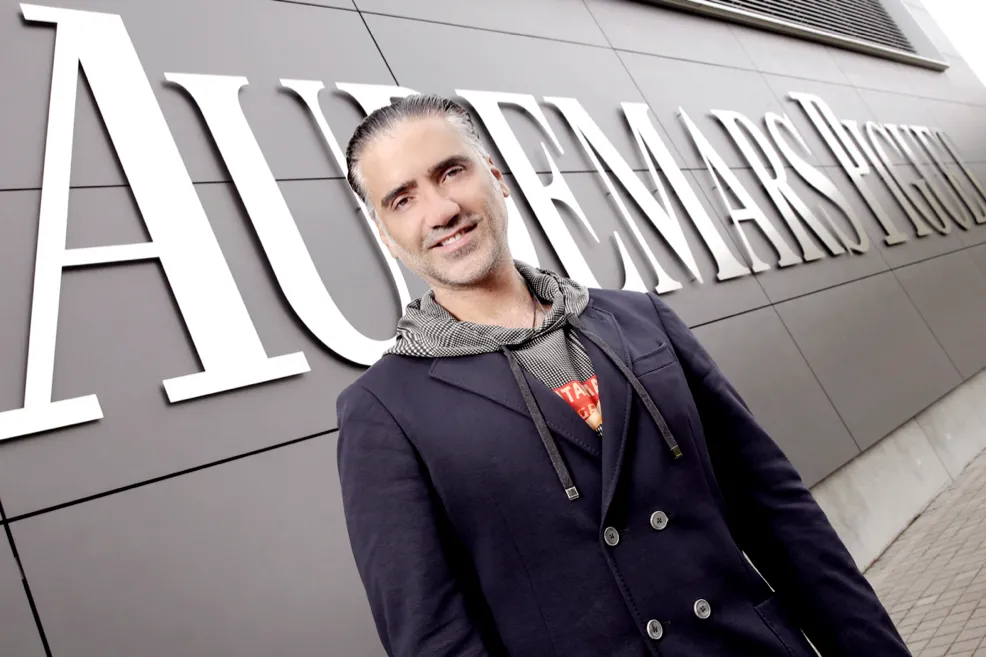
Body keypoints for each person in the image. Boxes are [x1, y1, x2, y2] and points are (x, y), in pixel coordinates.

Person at [335, 94, 909, 657]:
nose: (440, 211)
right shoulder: (385, 410)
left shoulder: (642, 320)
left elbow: (779, 513)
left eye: (451, 172)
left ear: (495, 175)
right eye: (402, 199)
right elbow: (433, 637)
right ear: (386, 234)